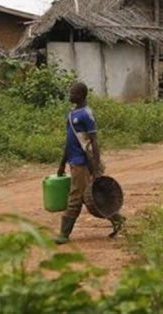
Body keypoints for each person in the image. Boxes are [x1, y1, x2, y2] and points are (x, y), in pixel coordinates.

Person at [54, 81, 124, 244]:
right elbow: (69, 141)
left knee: (75, 197)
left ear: (81, 95)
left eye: (73, 93)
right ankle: (117, 219)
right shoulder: (72, 114)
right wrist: (62, 163)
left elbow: (93, 141)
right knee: (87, 196)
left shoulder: (86, 114)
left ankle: (64, 234)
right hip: (74, 160)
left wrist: (97, 166)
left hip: (82, 162)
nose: (70, 95)